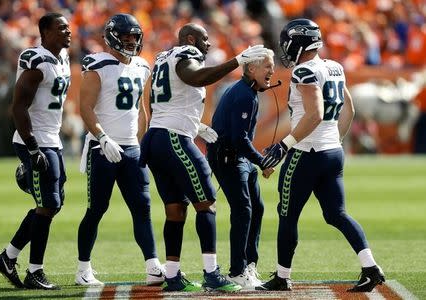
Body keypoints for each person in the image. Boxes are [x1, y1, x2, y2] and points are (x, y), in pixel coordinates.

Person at [257, 18, 385, 292]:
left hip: (306, 153)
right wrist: (335, 138)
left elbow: (314, 114)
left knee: (288, 216)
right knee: (337, 214)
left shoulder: (304, 71)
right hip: (332, 152)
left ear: (298, 43)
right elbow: (348, 108)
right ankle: (371, 267)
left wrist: (284, 145)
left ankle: (282, 276)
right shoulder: (335, 67)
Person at [140, 23, 269, 292]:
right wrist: (237, 60)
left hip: (157, 137)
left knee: (176, 210)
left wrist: (195, 125)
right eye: (205, 39)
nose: (208, 44)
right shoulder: (186, 53)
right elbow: (196, 78)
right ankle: (212, 273)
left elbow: (161, 99)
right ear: (190, 39)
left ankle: (173, 275)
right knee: (207, 203)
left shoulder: (163, 57)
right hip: (174, 138)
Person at [76, 14, 164, 286]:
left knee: (143, 207)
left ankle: (152, 266)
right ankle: (83, 269)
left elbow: (140, 109)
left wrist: (140, 143)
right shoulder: (97, 63)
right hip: (102, 148)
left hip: (131, 148)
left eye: (135, 37)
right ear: (113, 36)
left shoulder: (142, 66)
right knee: (97, 208)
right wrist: (102, 138)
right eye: (126, 36)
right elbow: (86, 107)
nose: (131, 41)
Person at [0, 12, 71, 290]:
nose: (68, 32)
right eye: (61, 28)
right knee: (48, 204)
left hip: (53, 139)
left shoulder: (63, 59)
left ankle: (8, 257)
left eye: (69, 27)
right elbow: (17, 107)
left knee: (53, 202)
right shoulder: (37, 61)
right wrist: (33, 147)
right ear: (46, 32)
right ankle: (34, 271)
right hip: (35, 140)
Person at [206, 49, 276, 289]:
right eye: (267, 66)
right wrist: (262, 161)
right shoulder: (245, 94)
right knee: (244, 210)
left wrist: (255, 161)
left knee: (256, 207)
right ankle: (237, 270)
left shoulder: (247, 91)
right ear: (251, 68)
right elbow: (238, 139)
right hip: (228, 157)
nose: (271, 70)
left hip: (237, 157)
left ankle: (248, 264)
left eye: (272, 65)